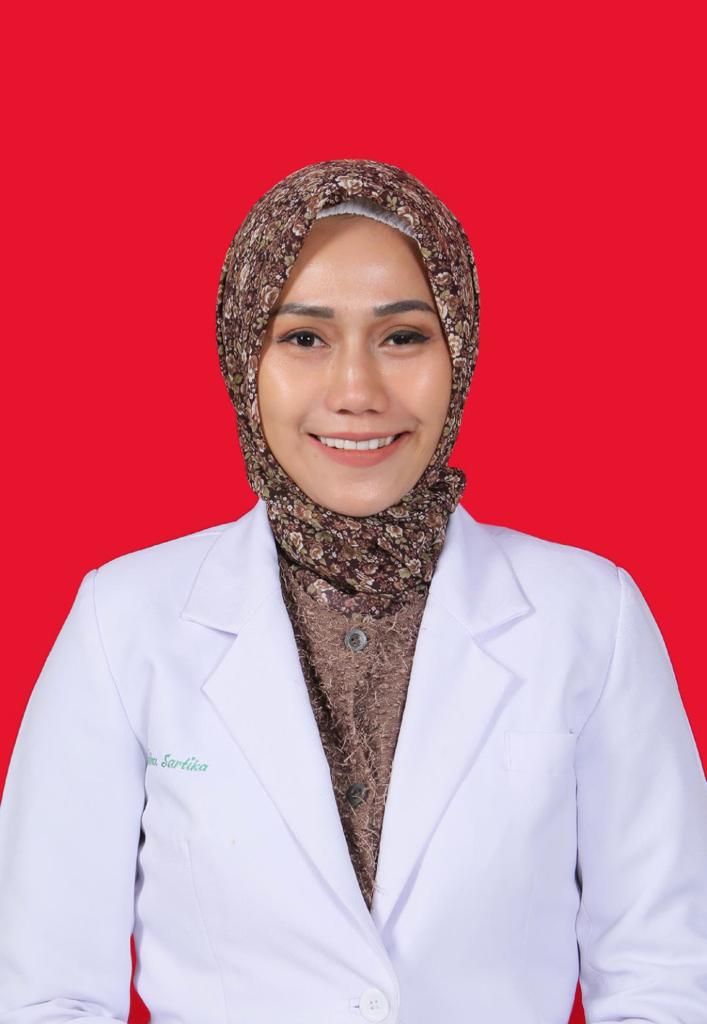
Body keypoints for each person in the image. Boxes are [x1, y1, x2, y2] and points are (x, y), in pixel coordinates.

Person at [0, 158, 705, 1023]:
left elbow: (666, 975)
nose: (357, 392)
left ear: (459, 350)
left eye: (402, 336)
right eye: (304, 339)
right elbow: (48, 991)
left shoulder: (591, 615)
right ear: (243, 357)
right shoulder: (125, 620)